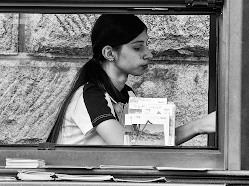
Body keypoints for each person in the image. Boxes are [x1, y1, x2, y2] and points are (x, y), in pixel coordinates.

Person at [47, 14, 216, 145]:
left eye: (147, 45)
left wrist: (200, 126)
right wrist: (198, 126)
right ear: (109, 53)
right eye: (137, 47)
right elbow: (128, 147)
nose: (148, 54)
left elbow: (150, 141)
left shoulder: (128, 94)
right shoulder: (90, 95)